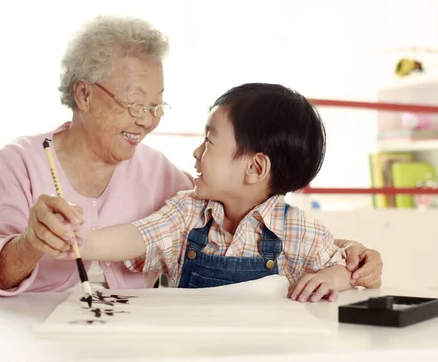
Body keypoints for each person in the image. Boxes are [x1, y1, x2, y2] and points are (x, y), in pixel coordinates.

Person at [0, 15, 383, 297]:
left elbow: (247, 211)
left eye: (156, 105)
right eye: (134, 103)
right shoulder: (18, 162)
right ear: (85, 94)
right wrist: (32, 244)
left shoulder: (167, 178)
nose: (148, 121)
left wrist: (350, 257)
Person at [63, 83, 358, 302]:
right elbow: (140, 236)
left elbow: (344, 267)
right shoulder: (188, 212)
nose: (196, 152)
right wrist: (84, 242)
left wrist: (332, 277)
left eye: (209, 141)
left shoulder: (298, 230)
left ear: (255, 168)